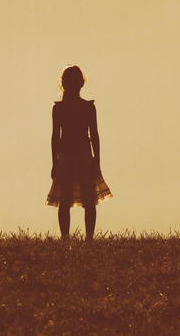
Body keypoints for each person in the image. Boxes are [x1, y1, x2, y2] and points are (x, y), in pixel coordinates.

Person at [46, 65, 112, 241]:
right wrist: (54, 163)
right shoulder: (58, 108)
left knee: (89, 200)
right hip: (65, 156)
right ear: (63, 84)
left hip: (84, 155)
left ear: (81, 83)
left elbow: (94, 134)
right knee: (64, 200)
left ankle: (89, 237)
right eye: (69, 82)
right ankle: (65, 238)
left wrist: (97, 160)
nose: (72, 85)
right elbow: (55, 137)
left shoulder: (88, 107)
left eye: (75, 82)